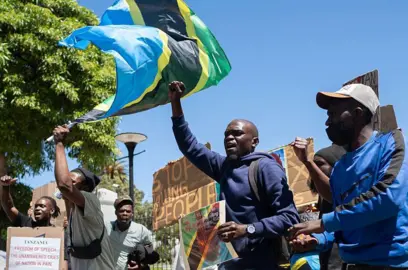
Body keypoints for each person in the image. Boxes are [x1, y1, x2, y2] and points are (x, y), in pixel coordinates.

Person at [168, 81, 300, 270]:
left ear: (254, 141)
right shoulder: (224, 167)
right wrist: (175, 103)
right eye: (226, 134)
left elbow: (290, 218)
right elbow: (189, 146)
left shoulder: (265, 168)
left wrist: (247, 230)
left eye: (237, 134)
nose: (229, 138)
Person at [289, 84, 408, 269]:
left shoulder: (390, 143)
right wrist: (317, 240)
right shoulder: (340, 169)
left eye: (333, 114)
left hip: (392, 263)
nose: (328, 123)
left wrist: (323, 223)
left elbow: (389, 197)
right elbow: (346, 222)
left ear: (358, 113)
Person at [52, 125, 115, 270]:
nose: (69, 184)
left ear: (85, 188)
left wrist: (59, 143)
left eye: (73, 181)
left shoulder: (90, 200)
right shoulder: (73, 213)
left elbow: (64, 185)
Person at [291, 141, 346, 270]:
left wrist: (307, 161)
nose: (314, 170)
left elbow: (343, 224)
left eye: (320, 164)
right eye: (313, 165)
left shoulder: (355, 196)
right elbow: (331, 230)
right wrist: (315, 240)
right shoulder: (324, 199)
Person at [108, 195, 158, 270]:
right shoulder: (107, 227)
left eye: (128, 211)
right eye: (121, 210)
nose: (125, 213)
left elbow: (150, 247)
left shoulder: (141, 230)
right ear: (116, 212)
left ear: (132, 214)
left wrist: (141, 264)